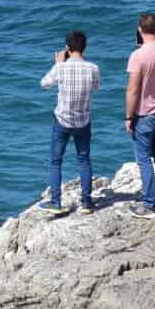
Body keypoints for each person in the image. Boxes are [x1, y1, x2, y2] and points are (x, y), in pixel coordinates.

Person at [38, 30, 100, 216]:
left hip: (63, 121)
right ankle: (87, 202)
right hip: (83, 121)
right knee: (84, 159)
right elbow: (96, 87)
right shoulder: (93, 68)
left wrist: (58, 63)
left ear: (67, 48)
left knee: (56, 161)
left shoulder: (61, 68)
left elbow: (44, 83)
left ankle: (56, 202)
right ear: (84, 48)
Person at [122, 12, 155, 218]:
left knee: (143, 159)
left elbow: (133, 90)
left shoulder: (138, 55)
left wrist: (128, 117)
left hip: (144, 114)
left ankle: (149, 205)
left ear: (140, 30)